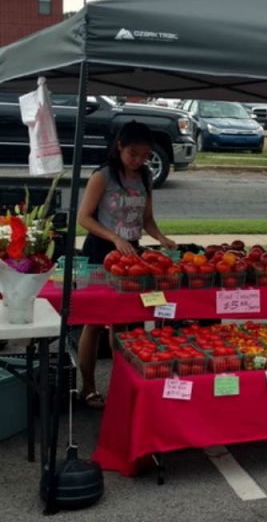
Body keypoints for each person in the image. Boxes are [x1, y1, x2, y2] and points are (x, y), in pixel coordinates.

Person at [77, 122, 176, 409]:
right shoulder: (103, 176)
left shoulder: (145, 176)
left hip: (132, 253)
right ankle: (89, 388)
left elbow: (147, 220)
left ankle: (123, 387)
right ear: (120, 146)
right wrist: (114, 237)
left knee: (124, 322)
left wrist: (161, 237)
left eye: (144, 155)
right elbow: (84, 218)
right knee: (94, 322)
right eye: (134, 154)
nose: (139, 160)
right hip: (100, 250)